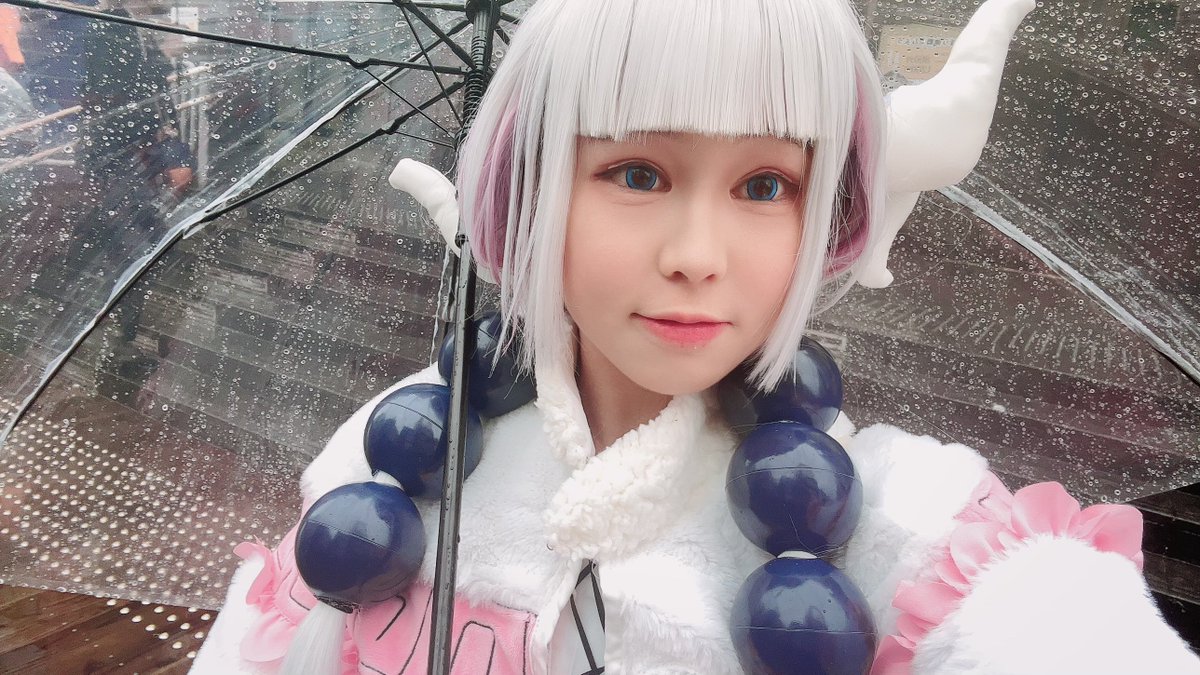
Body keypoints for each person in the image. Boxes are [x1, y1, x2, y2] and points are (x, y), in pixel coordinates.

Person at [193, 0, 1200, 673]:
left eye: (766, 185)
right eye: (637, 173)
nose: (697, 255)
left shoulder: (898, 520)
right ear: (533, 191)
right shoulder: (388, 453)